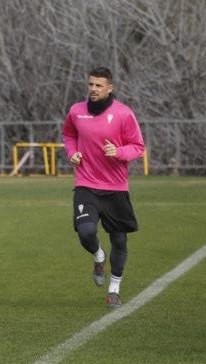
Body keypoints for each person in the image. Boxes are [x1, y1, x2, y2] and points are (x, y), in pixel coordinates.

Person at [62, 66, 146, 309]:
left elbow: (138, 147)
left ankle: (114, 289)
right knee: (86, 232)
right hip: (86, 183)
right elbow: (68, 135)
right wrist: (72, 153)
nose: (93, 89)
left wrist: (118, 152)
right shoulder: (76, 111)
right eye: (90, 84)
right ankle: (99, 257)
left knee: (119, 241)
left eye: (99, 85)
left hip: (116, 188)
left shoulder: (123, 114)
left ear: (110, 88)